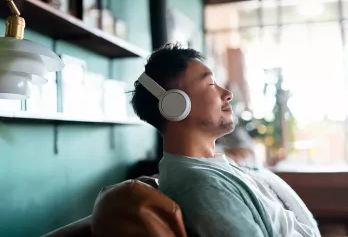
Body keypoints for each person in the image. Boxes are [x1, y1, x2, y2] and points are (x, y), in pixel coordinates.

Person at [130, 43, 320, 237]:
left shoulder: (213, 166)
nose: (228, 94)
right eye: (211, 84)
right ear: (175, 105)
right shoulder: (201, 185)